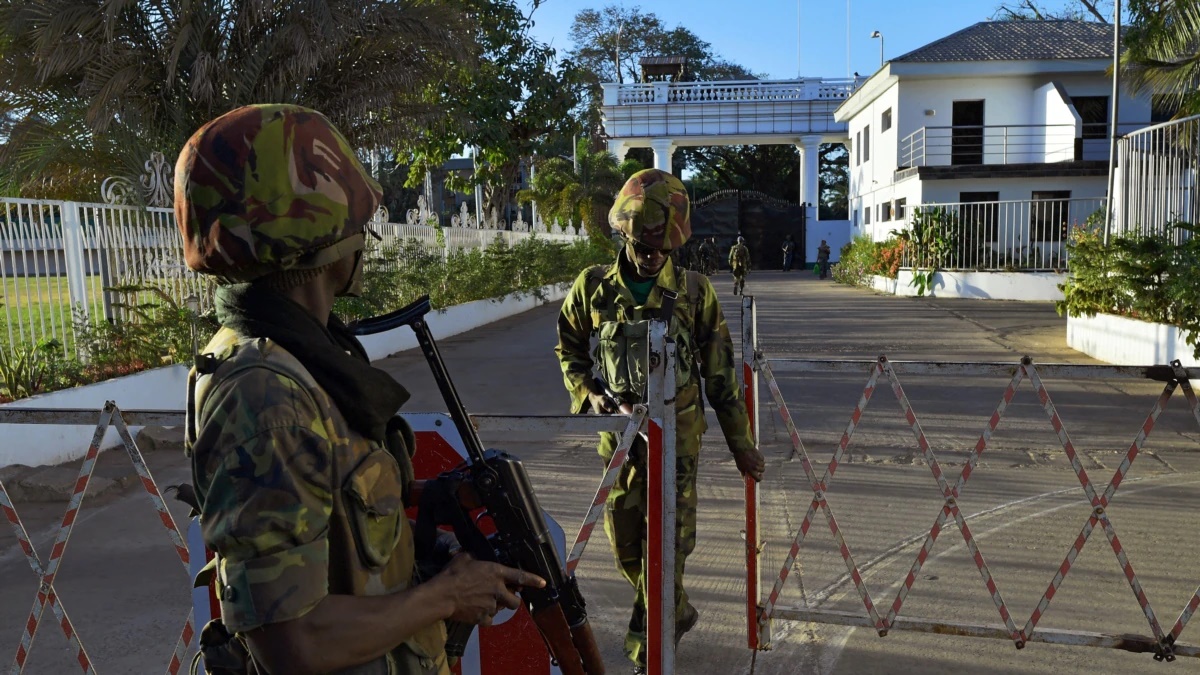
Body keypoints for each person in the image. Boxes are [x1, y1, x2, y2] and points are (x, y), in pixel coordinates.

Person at [177, 104, 543, 675]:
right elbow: (293, 643)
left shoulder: (301, 355)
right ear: (319, 239)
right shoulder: (265, 396)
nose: (362, 239)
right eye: (354, 222)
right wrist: (449, 595)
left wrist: (419, 496)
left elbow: (322, 504)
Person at [555, 169, 766, 675]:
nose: (654, 256)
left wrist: (742, 444)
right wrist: (589, 396)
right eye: (645, 246)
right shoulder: (594, 288)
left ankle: (646, 653)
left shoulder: (694, 293)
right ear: (626, 234)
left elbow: (721, 377)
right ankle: (676, 612)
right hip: (621, 448)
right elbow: (568, 346)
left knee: (666, 556)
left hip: (678, 449)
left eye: (662, 249)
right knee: (626, 549)